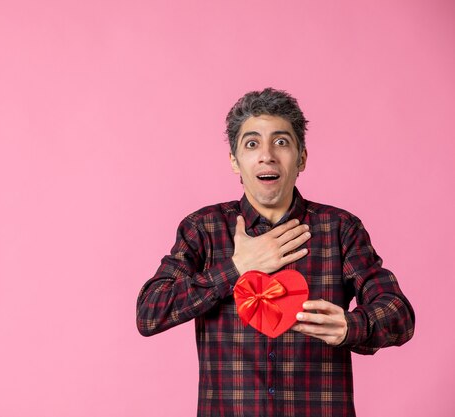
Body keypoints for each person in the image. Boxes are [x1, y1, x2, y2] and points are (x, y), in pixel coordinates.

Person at [136, 88, 415, 417]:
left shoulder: (340, 229)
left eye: (281, 142)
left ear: (302, 158)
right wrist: (239, 266)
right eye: (252, 144)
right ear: (234, 160)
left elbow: (399, 314)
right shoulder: (203, 229)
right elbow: (150, 313)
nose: (267, 155)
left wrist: (352, 327)